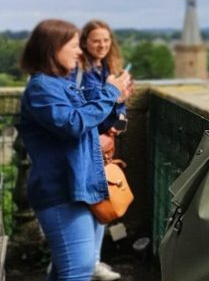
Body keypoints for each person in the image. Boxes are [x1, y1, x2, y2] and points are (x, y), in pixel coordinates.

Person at [18, 19, 131, 281]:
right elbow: (72, 124)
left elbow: (89, 122)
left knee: (67, 269)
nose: (80, 51)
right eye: (73, 45)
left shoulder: (56, 84)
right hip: (61, 191)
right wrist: (108, 93)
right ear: (52, 49)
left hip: (78, 188)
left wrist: (116, 100)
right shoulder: (41, 88)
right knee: (77, 270)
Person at [79, 20, 131, 281]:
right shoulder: (81, 73)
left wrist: (111, 130)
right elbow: (90, 111)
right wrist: (115, 100)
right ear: (84, 43)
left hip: (104, 145)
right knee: (89, 204)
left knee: (102, 202)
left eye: (106, 41)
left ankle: (92, 262)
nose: (102, 45)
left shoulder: (108, 69)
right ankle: (83, 263)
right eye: (96, 40)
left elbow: (120, 112)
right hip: (87, 146)